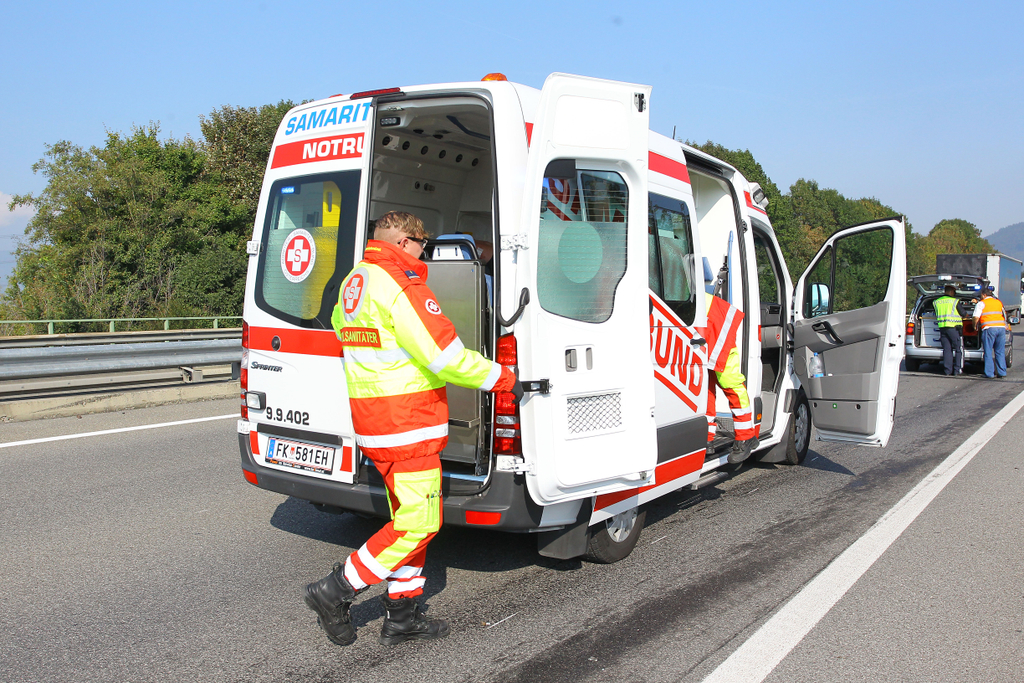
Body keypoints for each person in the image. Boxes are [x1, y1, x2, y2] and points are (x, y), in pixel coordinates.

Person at [304, 211, 522, 647]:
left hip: (376, 422)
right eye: (422, 242)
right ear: (404, 241)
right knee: (419, 524)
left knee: (409, 516)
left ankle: (402, 615)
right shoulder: (402, 284)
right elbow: (445, 357)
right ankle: (336, 589)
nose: (425, 250)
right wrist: (504, 378)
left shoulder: (355, 282)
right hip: (408, 423)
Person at [702, 292, 758, 464]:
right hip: (703, 321)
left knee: (729, 380)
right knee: (704, 382)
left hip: (715, 321)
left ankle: (746, 437)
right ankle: (707, 438)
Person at [972, 286, 1007, 378]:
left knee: (988, 351)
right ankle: (1002, 372)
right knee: (1000, 351)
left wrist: (974, 326)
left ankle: (989, 373)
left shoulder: (981, 303)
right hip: (1001, 328)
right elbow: (1004, 314)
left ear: (984, 295)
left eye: (980, 295)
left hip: (989, 329)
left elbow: (976, 317)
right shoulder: (998, 302)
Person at [933, 284, 963, 376]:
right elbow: (964, 313)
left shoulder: (936, 302)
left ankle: (947, 371)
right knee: (958, 349)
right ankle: (957, 370)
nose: (954, 294)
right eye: (954, 292)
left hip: (942, 328)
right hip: (953, 328)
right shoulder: (954, 301)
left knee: (947, 350)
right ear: (951, 291)